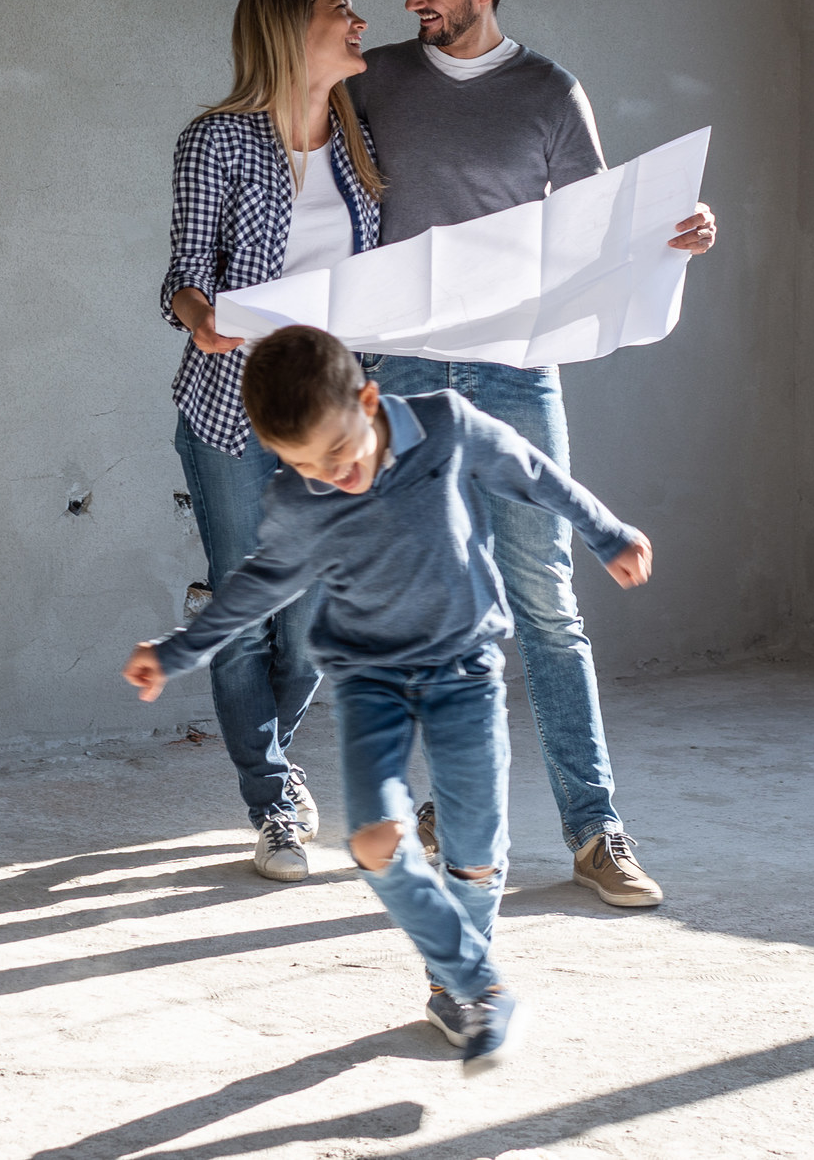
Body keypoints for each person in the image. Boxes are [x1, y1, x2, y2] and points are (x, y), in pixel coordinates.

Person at [123, 325, 652, 1070]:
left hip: (464, 672)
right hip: (371, 683)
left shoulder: (445, 424)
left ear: (369, 399)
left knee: (473, 853)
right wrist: (173, 653)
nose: (332, 476)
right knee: (374, 841)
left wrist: (608, 533)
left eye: (340, 454)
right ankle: (479, 987)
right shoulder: (300, 496)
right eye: (307, 466)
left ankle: (456, 985)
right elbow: (252, 591)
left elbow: (533, 472)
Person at [348, 0, 714, 911]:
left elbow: (598, 227)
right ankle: (439, 805)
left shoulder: (549, 92)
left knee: (545, 602)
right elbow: (304, 175)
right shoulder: (374, 79)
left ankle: (595, 828)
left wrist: (670, 236)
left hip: (515, 370)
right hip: (403, 371)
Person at [159, 0, 384, 879]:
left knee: (311, 618)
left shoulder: (364, 140)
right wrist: (199, 316)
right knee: (250, 607)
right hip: (232, 408)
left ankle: (263, 741)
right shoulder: (216, 141)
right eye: (341, 8)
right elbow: (181, 271)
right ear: (293, 29)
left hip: (330, 414)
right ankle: (273, 798)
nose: (360, 18)